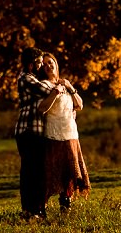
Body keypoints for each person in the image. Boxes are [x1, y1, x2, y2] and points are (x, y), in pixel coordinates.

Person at [37, 52, 91, 213]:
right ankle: (41, 208)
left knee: (69, 171)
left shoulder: (65, 84)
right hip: (54, 133)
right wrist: (56, 91)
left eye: (50, 62)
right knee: (52, 171)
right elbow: (42, 108)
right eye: (44, 64)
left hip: (71, 133)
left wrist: (70, 87)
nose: (48, 65)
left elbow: (80, 106)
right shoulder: (45, 85)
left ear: (56, 63)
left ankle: (65, 205)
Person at [14, 47, 56, 220]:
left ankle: (35, 209)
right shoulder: (26, 79)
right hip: (28, 130)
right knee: (31, 171)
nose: (41, 66)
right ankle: (31, 210)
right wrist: (59, 87)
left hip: (34, 131)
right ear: (31, 65)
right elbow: (47, 91)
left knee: (35, 171)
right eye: (39, 62)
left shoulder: (30, 77)